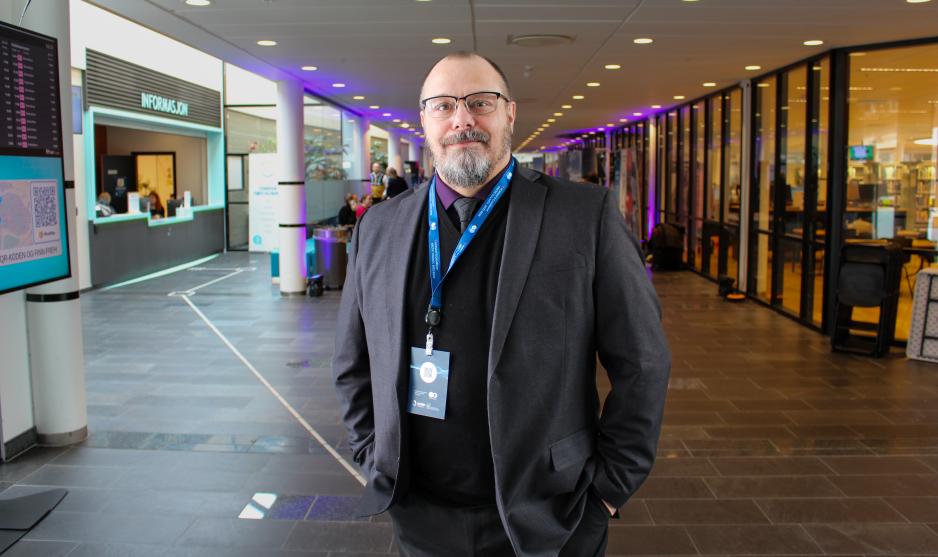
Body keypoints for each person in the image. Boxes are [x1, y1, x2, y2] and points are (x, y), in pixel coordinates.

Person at [332, 52, 670, 557]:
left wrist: (607, 490)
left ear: (509, 113)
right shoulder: (379, 229)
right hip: (419, 519)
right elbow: (352, 364)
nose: (462, 119)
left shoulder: (583, 217)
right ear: (423, 119)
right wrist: (373, 455)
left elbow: (643, 361)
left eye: (480, 103)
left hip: (552, 516)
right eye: (444, 105)